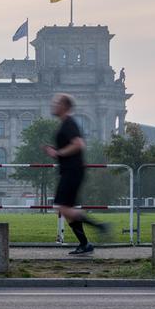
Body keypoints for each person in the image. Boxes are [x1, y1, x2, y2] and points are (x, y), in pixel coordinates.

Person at [43, 93, 108, 254]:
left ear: (65, 106)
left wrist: (58, 153)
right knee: (65, 208)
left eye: (56, 103)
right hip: (71, 170)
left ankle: (99, 226)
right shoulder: (65, 123)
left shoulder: (69, 123)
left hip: (72, 171)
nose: (53, 105)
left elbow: (79, 144)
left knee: (63, 207)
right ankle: (85, 244)